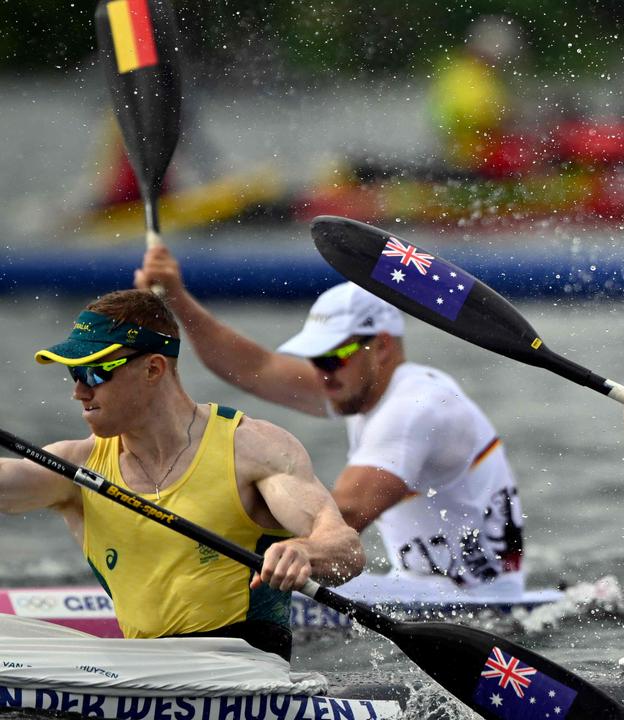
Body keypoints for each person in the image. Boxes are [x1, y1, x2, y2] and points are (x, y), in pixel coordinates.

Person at [135, 249, 527, 597]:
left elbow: (344, 516)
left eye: (332, 357)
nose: (322, 374)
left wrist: (207, 543)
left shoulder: (415, 408)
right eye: (315, 359)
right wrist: (177, 299)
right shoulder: (359, 384)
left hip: (475, 601)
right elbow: (255, 367)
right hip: (426, 589)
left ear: (383, 346)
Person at [0, 290, 363, 660]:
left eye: (94, 372)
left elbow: (347, 550)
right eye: (73, 373)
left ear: (153, 368)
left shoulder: (251, 450)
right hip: (146, 679)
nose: (79, 391)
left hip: (247, 675)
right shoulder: (75, 467)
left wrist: (305, 551)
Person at [426, 15, 528, 175]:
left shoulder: (482, 74)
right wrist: (505, 114)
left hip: (479, 156)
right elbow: (466, 111)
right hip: (467, 160)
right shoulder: (463, 73)